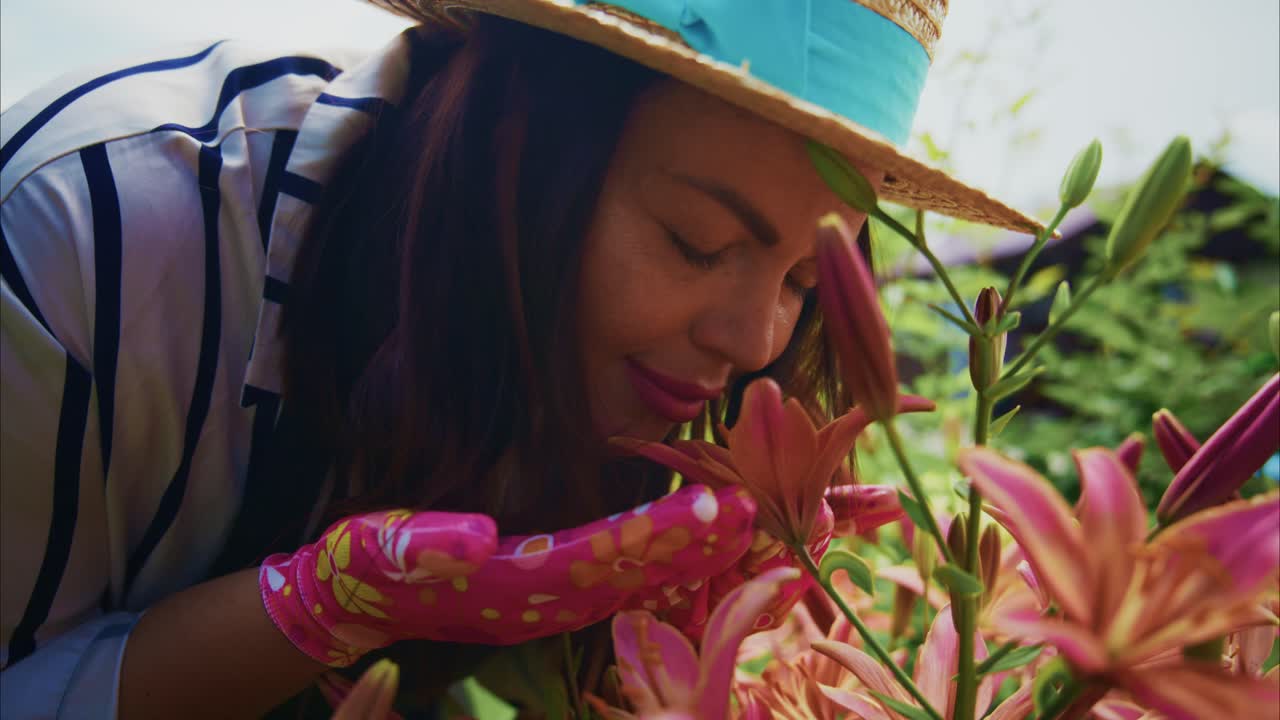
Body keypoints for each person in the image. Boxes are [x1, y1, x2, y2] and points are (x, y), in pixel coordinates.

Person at [0, 0, 1041, 716]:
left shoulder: (650, 388)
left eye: (804, 285)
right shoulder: (91, 229)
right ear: (519, 137)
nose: (756, 342)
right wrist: (331, 604)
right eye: (695, 242)